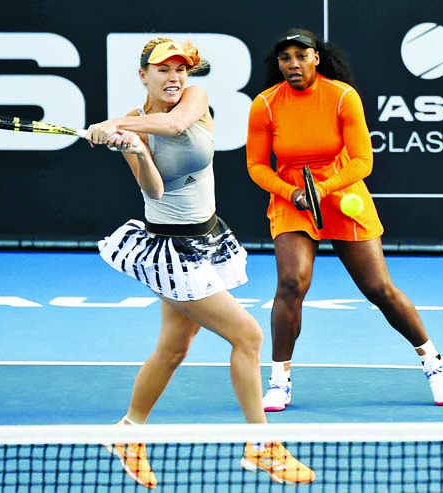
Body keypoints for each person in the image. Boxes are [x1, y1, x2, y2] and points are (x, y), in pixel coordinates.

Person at [86, 37, 315, 488]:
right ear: (143, 76)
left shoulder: (195, 99)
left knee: (173, 349)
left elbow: (174, 127)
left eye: (180, 70)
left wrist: (113, 124)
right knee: (247, 335)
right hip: (171, 254)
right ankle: (261, 447)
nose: (174, 78)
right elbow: (154, 190)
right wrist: (131, 145)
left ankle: (128, 433)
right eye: (164, 70)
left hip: (206, 239)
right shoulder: (133, 124)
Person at [245, 28, 443, 412]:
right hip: (292, 197)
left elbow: (363, 160)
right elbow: (257, 165)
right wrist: (292, 192)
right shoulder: (266, 104)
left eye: (300, 55)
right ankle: (279, 380)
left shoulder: (342, 96)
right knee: (292, 283)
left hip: (342, 195)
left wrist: (323, 190)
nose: (292, 64)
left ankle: (434, 362)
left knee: (379, 288)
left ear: (316, 58)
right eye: (284, 58)